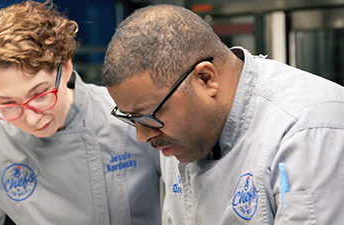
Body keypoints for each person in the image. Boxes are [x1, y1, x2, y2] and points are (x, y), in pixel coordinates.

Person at [102, 4, 344, 225]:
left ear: (205, 78)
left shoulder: (306, 130)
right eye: (132, 119)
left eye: (148, 116)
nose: (143, 136)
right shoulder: (176, 134)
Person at [0, 1, 162, 224]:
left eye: (40, 95)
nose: (32, 118)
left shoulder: (127, 116)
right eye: (8, 103)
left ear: (66, 66)